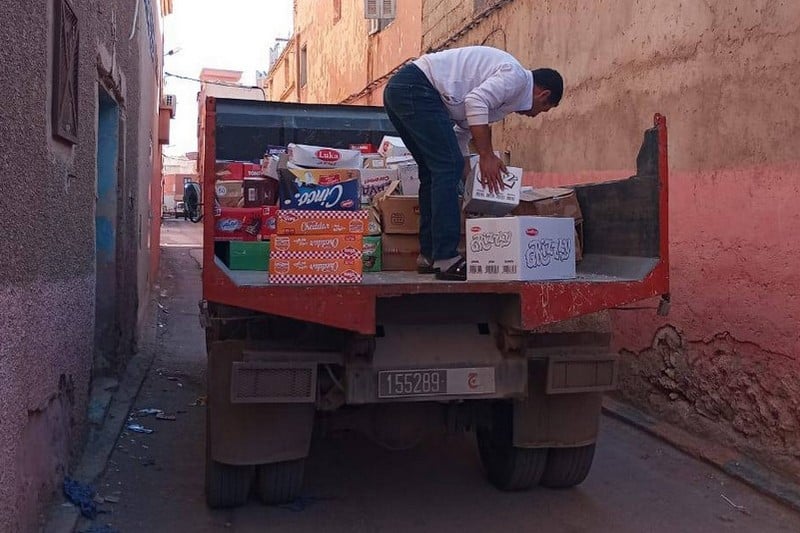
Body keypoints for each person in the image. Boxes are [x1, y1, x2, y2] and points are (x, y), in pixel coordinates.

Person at [383, 46, 563, 281]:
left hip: (403, 90)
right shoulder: (516, 78)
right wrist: (486, 156)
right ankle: (446, 258)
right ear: (543, 95)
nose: (536, 115)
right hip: (416, 87)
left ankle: (429, 255)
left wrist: (469, 177)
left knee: (434, 170)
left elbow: (461, 132)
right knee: (446, 167)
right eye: (543, 109)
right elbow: (475, 101)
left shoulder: (505, 102)